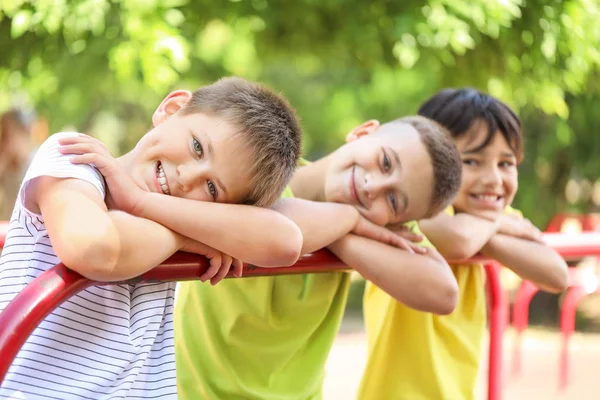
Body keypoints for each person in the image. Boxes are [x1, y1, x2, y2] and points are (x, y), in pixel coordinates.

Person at [0, 77, 305, 399]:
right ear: (172, 109)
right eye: (197, 147)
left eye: (212, 189)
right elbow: (94, 248)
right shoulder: (75, 159)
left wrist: (143, 203)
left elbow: (286, 242)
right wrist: (185, 239)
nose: (186, 178)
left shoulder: (180, 215)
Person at [174, 115, 464, 399]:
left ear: (396, 223)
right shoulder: (260, 174)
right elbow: (270, 228)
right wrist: (348, 217)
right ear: (363, 133)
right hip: (196, 391)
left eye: (393, 201)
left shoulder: (375, 226)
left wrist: (341, 234)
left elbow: (443, 293)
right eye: (385, 162)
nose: (372, 186)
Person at [358, 88, 569, 400]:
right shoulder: (414, 209)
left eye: (506, 163)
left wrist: (487, 232)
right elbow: (456, 241)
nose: (494, 179)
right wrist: (495, 225)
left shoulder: (482, 219)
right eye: (471, 161)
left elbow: (556, 274)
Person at [0, 108, 35, 220]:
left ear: (23, 130)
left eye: (7, 133)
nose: (3, 140)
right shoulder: (6, 166)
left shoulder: (37, 163)